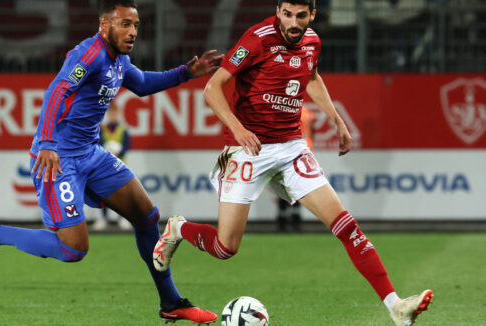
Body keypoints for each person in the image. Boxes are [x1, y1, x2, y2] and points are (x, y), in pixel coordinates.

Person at [152, 1, 433, 325]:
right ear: (278, 11)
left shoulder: (313, 41)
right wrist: (239, 129)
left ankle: (396, 305)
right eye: (287, 14)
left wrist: (336, 118)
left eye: (301, 15)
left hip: (291, 147)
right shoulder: (257, 38)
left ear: (312, 15)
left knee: (346, 225)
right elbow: (213, 89)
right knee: (226, 247)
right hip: (249, 149)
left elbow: (310, 75)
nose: (293, 22)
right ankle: (177, 228)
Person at [0, 0, 222, 324]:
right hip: (59, 159)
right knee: (73, 249)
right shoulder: (88, 54)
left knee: (147, 217)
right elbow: (56, 92)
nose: (132, 32)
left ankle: (171, 302)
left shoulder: (120, 60)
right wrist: (47, 141)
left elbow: (143, 84)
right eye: (124, 24)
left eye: (135, 24)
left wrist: (185, 73)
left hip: (91, 152)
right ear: (105, 25)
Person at [91, 101, 134, 231]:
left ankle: (124, 218)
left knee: (122, 195)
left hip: (121, 166)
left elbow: (127, 147)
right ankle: (103, 218)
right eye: (111, 113)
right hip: (105, 166)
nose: (113, 115)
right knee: (104, 194)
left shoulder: (123, 130)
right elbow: (98, 145)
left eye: (115, 113)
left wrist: (118, 152)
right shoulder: (102, 129)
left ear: (119, 114)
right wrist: (106, 153)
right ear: (108, 114)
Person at [276, 106, 314, 232]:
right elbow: (313, 131)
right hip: (303, 151)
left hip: (287, 151)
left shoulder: (284, 108)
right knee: (297, 187)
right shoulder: (306, 111)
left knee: (283, 187)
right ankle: (296, 220)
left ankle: (282, 221)